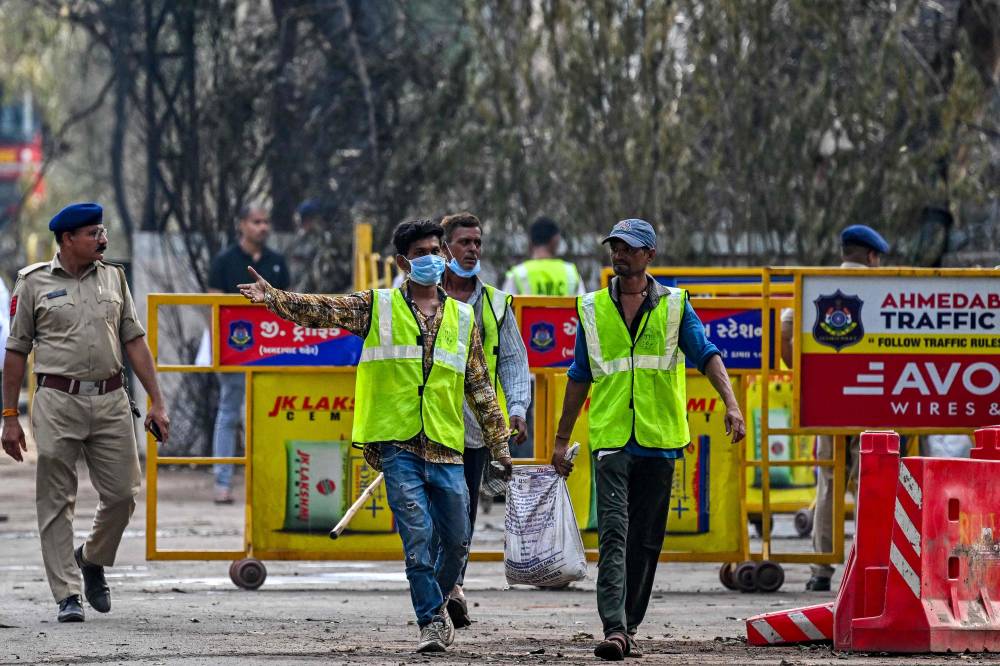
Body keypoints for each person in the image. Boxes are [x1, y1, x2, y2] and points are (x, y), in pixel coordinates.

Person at [237, 219, 511, 654]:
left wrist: (500, 446)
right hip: (396, 442)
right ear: (403, 262)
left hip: (445, 444)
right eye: (423, 253)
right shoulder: (376, 306)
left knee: (457, 541)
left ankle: (437, 604)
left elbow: (479, 386)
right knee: (417, 537)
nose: (434, 259)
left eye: (437, 251)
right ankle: (430, 622)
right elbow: (323, 309)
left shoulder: (462, 316)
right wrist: (273, 298)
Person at [551, 218, 746, 661]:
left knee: (646, 538)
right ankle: (614, 628)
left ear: (649, 255)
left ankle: (630, 622)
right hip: (613, 439)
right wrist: (561, 439)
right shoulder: (592, 308)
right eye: (615, 247)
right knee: (615, 533)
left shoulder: (676, 305)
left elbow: (706, 355)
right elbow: (579, 376)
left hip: (659, 439)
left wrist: (731, 404)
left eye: (629, 248)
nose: (620, 255)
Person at [1, 202, 170, 623]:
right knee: (56, 499)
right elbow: (16, 352)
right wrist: (8, 416)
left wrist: (157, 400)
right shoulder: (33, 283)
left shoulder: (114, 277)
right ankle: (67, 595)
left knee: (123, 493)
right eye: (94, 233)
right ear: (67, 239)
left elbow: (133, 339)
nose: (103, 238)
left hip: (112, 399)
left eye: (103, 230)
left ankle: (91, 557)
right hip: (58, 401)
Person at [780, 223, 889, 592]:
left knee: (829, 481)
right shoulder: (886, 285)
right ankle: (870, 565)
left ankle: (821, 571)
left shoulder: (817, 281)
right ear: (872, 256)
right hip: (875, 399)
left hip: (828, 402)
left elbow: (786, 327)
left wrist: (807, 374)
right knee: (871, 481)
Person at [439, 212, 530, 627]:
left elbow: (512, 359)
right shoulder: (422, 297)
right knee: (427, 513)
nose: (473, 249)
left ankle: (451, 586)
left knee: (463, 512)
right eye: (464, 242)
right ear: (445, 248)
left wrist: (516, 409)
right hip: (427, 426)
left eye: (477, 242)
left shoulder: (494, 303)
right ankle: (441, 588)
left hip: (475, 429)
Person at [207, 205, 289, 504]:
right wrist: (219, 348)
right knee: (229, 413)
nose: (263, 227)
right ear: (242, 225)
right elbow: (213, 308)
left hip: (270, 350)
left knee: (271, 414)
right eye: (256, 222)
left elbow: (287, 306)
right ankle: (223, 482)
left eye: (266, 222)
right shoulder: (224, 261)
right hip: (235, 351)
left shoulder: (277, 262)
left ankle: (269, 484)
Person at [503, 216, 585, 296]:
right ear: (555, 240)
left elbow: (502, 308)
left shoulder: (518, 274)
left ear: (530, 242)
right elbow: (583, 307)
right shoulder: (571, 273)